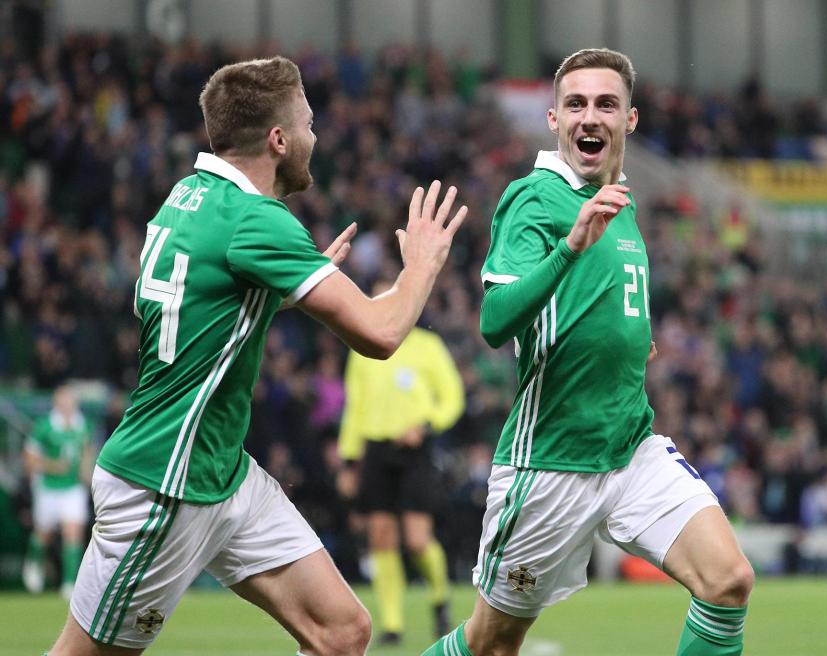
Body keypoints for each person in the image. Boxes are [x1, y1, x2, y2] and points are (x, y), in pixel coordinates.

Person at [46, 55, 467, 656]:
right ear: (278, 139)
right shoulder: (258, 222)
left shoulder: (188, 196)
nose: (314, 138)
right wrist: (423, 264)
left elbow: (198, 309)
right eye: (308, 124)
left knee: (341, 632)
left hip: (222, 473)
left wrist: (291, 285)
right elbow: (381, 334)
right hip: (164, 482)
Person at [423, 48, 754, 656]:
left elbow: (604, 305)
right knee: (492, 644)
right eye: (575, 104)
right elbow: (495, 322)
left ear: (629, 120)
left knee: (728, 580)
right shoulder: (534, 198)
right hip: (551, 461)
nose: (589, 117)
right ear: (553, 118)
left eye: (606, 104)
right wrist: (569, 247)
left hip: (630, 447)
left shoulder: (621, 201)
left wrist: (629, 339)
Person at [337, 296, 465, 647]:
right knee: (380, 536)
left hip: (415, 449)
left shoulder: (427, 345)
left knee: (417, 539)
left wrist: (426, 425)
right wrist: (349, 459)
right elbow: (354, 404)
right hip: (376, 450)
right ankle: (392, 624)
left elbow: (452, 397)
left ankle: (440, 597)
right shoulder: (362, 346)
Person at [22, 384, 95, 600]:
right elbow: (29, 460)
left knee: (73, 533)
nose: (68, 405)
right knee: (43, 534)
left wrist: (87, 473)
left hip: (72, 489)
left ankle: (69, 584)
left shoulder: (83, 425)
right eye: (64, 401)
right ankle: (34, 560)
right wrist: (52, 465)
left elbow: (87, 451)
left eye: (71, 401)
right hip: (48, 488)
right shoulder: (44, 426)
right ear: (56, 403)